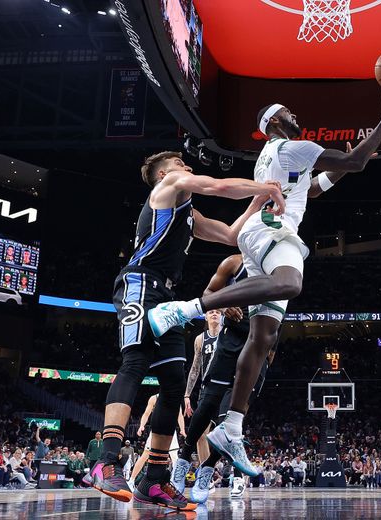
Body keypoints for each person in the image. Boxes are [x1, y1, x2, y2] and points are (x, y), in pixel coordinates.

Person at [149, 91, 381, 477]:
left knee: (264, 336)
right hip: (272, 231)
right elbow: (352, 161)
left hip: (257, 235)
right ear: (273, 122)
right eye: (288, 112)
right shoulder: (291, 146)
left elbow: (315, 186)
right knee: (289, 283)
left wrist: (358, 157)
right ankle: (188, 309)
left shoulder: (280, 156)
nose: (295, 114)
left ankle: (232, 427)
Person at [87, 150, 283, 510]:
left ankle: (155, 479)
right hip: (140, 283)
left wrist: (257, 199)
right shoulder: (167, 185)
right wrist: (268, 186)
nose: (187, 168)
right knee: (135, 362)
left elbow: (229, 234)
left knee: (175, 383)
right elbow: (219, 185)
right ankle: (106, 458)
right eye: (180, 164)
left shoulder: (187, 214)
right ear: (163, 172)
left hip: (166, 295)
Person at [168, 254, 277, 502]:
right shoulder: (234, 263)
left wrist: (270, 356)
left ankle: (206, 470)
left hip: (259, 345)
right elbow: (208, 293)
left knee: (228, 423)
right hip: (232, 341)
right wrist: (224, 305)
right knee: (207, 404)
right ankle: (183, 459)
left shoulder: (282, 266)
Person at [181, 309, 224, 466]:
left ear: (222, 316)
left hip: (225, 389)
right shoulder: (200, 339)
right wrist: (187, 395)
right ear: (205, 316)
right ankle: (206, 475)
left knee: (227, 435)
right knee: (200, 434)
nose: (214, 314)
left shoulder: (227, 335)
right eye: (211, 311)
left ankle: (237, 477)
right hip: (206, 390)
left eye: (218, 312)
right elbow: (195, 368)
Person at [123, 394, 187, 491]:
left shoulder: (175, 397)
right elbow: (146, 414)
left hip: (170, 429)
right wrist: (141, 426)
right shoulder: (154, 398)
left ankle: (176, 484)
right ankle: (131, 480)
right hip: (157, 429)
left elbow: (180, 416)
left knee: (175, 457)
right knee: (145, 455)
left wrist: (182, 429)